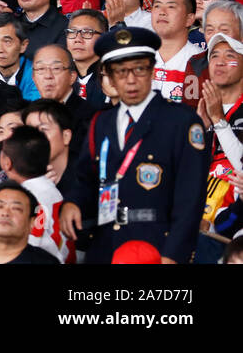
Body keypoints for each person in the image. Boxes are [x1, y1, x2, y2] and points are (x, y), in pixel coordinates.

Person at [60, 26, 209, 264]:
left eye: (139, 69)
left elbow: (190, 198)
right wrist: (73, 202)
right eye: (120, 71)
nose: (130, 80)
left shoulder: (181, 121)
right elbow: (86, 177)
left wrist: (174, 254)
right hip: (105, 245)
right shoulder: (101, 121)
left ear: (152, 70)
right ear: (108, 75)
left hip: (157, 247)